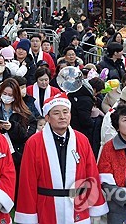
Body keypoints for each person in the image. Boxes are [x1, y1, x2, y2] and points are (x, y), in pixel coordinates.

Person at [15, 93, 109, 223]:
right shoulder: (34, 143)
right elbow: (28, 181)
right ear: (47, 117)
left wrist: (95, 207)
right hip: (47, 207)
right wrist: (28, 215)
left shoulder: (81, 140)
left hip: (78, 208)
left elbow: (91, 174)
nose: (62, 116)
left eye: (66, 112)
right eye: (56, 113)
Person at [0, 78, 37, 171]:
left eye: (10, 95)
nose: (7, 97)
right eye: (4, 94)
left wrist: (12, 127)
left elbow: (27, 135)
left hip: (16, 156)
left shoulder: (24, 112)